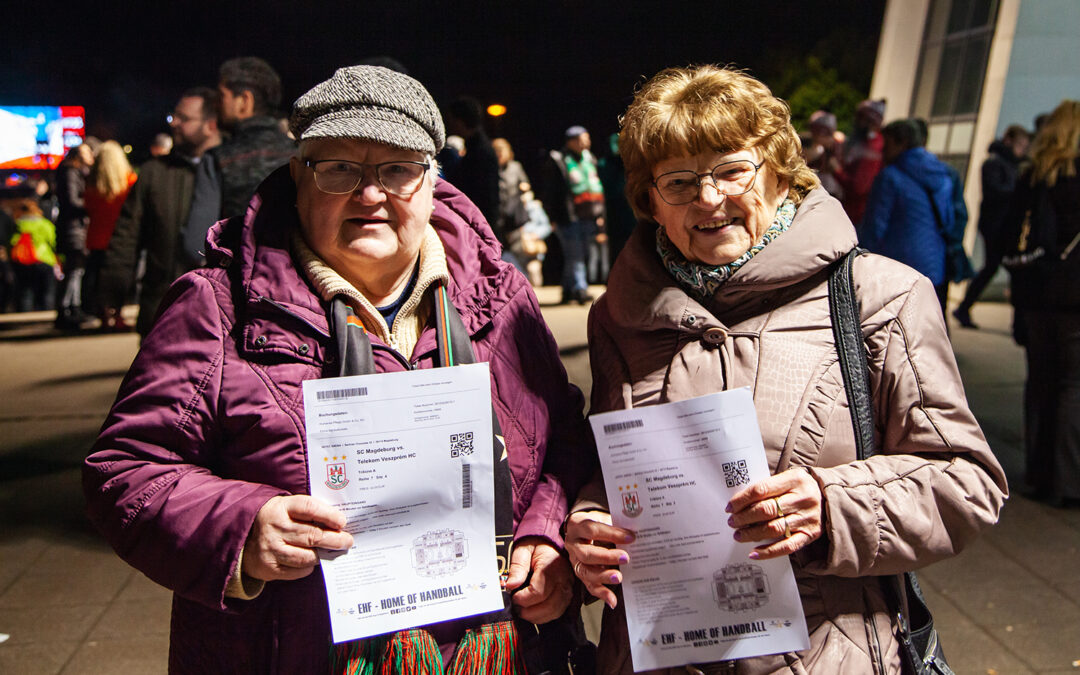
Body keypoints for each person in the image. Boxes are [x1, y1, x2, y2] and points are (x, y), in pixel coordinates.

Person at [84, 64, 594, 673]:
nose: (371, 194)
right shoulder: (217, 304)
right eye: (340, 169)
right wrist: (244, 529)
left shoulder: (499, 294)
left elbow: (561, 432)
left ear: (431, 181)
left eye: (397, 170)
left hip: (499, 650)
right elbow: (126, 469)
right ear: (299, 178)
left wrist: (546, 534)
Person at [563, 65, 1006, 674]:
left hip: (826, 656)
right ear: (650, 201)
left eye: (731, 169)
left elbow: (966, 480)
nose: (709, 198)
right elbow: (616, 469)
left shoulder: (880, 295)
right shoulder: (618, 317)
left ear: (777, 171)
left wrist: (831, 503)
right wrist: (590, 522)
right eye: (679, 181)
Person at [98, 87, 222, 337]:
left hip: (220, 314)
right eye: (173, 116)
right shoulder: (154, 173)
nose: (174, 123)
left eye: (184, 118)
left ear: (210, 125)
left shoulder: (231, 172)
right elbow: (127, 234)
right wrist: (113, 289)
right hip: (162, 309)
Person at [1006, 100, 1080, 506]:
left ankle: (1038, 473)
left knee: (1039, 383)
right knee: (1072, 387)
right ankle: (1068, 481)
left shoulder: (1032, 176)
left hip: (1036, 296)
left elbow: (1008, 234)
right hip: (1074, 300)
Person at [181, 56, 295, 267]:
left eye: (222, 96)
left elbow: (196, 245)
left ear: (245, 100)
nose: (217, 104)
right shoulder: (299, 154)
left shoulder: (217, 159)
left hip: (235, 288)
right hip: (293, 291)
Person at [859, 119, 959, 314]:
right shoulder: (941, 173)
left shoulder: (890, 176)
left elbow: (874, 227)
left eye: (887, 144)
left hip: (896, 265)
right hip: (933, 264)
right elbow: (949, 219)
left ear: (902, 143)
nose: (882, 151)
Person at [953, 124, 1032, 328]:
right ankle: (965, 308)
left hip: (1002, 225)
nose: (1023, 149)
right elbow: (996, 192)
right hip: (995, 226)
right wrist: (1020, 189)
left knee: (998, 268)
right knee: (995, 268)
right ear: (1009, 141)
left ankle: (965, 308)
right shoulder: (994, 163)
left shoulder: (1011, 164)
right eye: (1020, 145)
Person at [542, 126, 606, 303]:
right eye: (582, 138)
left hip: (589, 215)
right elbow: (550, 192)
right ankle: (580, 289)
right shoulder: (559, 160)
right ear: (571, 141)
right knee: (575, 254)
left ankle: (567, 290)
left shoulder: (590, 159)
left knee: (580, 255)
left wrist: (600, 215)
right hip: (568, 217)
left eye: (588, 138)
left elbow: (596, 187)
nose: (587, 142)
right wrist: (552, 218)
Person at [83, 140, 138, 326]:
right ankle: (118, 313)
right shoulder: (129, 182)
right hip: (122, 237)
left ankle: (104, 313)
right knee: (121, 277)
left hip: (97, 237)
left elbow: (88, 209)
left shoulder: (91, 184)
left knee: (99, 278)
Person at [54, 140, 96, 329]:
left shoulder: (72, 172)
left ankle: (72, 308)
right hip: (73, 228)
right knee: (74, 269)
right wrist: (93, 206)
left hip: (73, 227)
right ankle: (67, 309)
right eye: (87, 152)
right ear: (78, 155)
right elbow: (72, 201)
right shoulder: (71, 172)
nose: (91, 156)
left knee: (76, 269)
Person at [6, 198, 59, 311]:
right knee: (47, 291)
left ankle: (25, 318)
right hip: (44, 259)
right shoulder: (45, 224)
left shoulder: (18, 224)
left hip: (23, 261)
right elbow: (53, 242)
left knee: (26, 291)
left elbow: (12, 242)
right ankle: (46, 317)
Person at [840, 98, 885, 225]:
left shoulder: (874, 146)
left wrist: (836, 171)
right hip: (851, 211)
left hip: (859, 215)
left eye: (862, 118)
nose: (857, 122)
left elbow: (859, 187)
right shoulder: (861, 142)